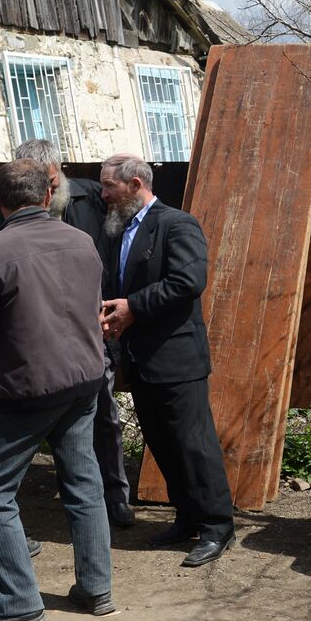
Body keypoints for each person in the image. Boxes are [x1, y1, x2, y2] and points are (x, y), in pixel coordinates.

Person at [0, 159, 115, 621]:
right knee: (84, 481)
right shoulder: (80, 240)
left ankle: (20, 606)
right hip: (83, 380)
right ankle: (96, 587)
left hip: (27, 390)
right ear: (48, 196)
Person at [0, 139, 134, 529]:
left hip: (92, 333)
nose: (47, 191)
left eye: (50, 181)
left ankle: (115, 497)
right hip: (39, 343)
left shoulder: (92, 198)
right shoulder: (4, 215)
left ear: (60, 173)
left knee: (104, 418)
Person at [99, 154, 234, 567]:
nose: (103, 194)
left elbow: (188, 282)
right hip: (141, 359)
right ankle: (187, 516)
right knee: (162, 443)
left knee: (194, 445)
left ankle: (216, 526)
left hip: (177, 358)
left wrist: (132, 306)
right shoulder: (122, 229)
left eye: (110, 186)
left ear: (135, 184)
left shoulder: (177, 224)